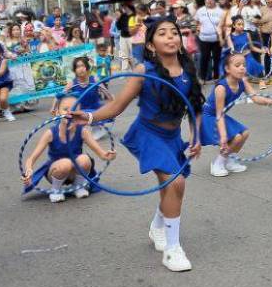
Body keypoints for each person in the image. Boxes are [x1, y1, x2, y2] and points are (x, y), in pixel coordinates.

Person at [71, 17, 203, 272]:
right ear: (151, 45)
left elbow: (195, 107)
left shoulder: (188, 70)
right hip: (149, 133)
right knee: (175, 181)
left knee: (171, 187)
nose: (170, 37)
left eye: (174, 33)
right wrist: (88, 116)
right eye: (162, 33)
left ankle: (157, 226)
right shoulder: (144, 71)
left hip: (172, 136)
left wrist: (195, 136)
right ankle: (173, 249)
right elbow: (117, 105)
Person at [23, 95, 114, 201]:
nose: (70, 113)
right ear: (57, 112)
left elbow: (102, 154)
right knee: (65, 163)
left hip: (76, 172)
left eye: (75, 110)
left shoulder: (83, 131)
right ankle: (56, 190)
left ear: (80, 114)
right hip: (56, 171)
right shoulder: (50, 133)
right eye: (65, 109)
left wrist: (109, 155)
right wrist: (28, 171)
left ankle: (78, 186)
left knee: (85, 159)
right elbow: (31, 158)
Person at [202, 51, 272, 177]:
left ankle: (229, 159)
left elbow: (255, 98)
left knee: (245, 133)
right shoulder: (221, 88)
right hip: (209, 116)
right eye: (237, 65)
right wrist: (223, 137)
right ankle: (217, 163)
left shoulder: (242, 82)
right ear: (227, 68)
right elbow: (219, 115)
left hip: (219, 115)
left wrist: (269, 101)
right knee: (236, 137)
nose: (242, 67)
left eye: (244, 64)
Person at [223, 15, 265, 81]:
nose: (241, 26)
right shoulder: (230, 36)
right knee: (239, 74)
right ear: (234, 26)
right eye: (239, 24)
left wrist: (262, 51)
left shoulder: (247, 34)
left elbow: (252, 48)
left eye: (243, 24)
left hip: (248, 57)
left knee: (252, 64)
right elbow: (232, 49)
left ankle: (260, 81)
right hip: (237, 58)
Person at [194, 0, 225, 82]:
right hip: (204, 39)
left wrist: (222, 38)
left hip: (216, 39)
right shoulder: (200, 11)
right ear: (205, 0)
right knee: (204, 59)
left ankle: (216, 77)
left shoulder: (220, 11)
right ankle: (203, 78)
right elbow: (196, 21)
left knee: (217, 58)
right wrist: (197, 31)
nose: (209, 1)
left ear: (214, 0)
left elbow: (223, 26)